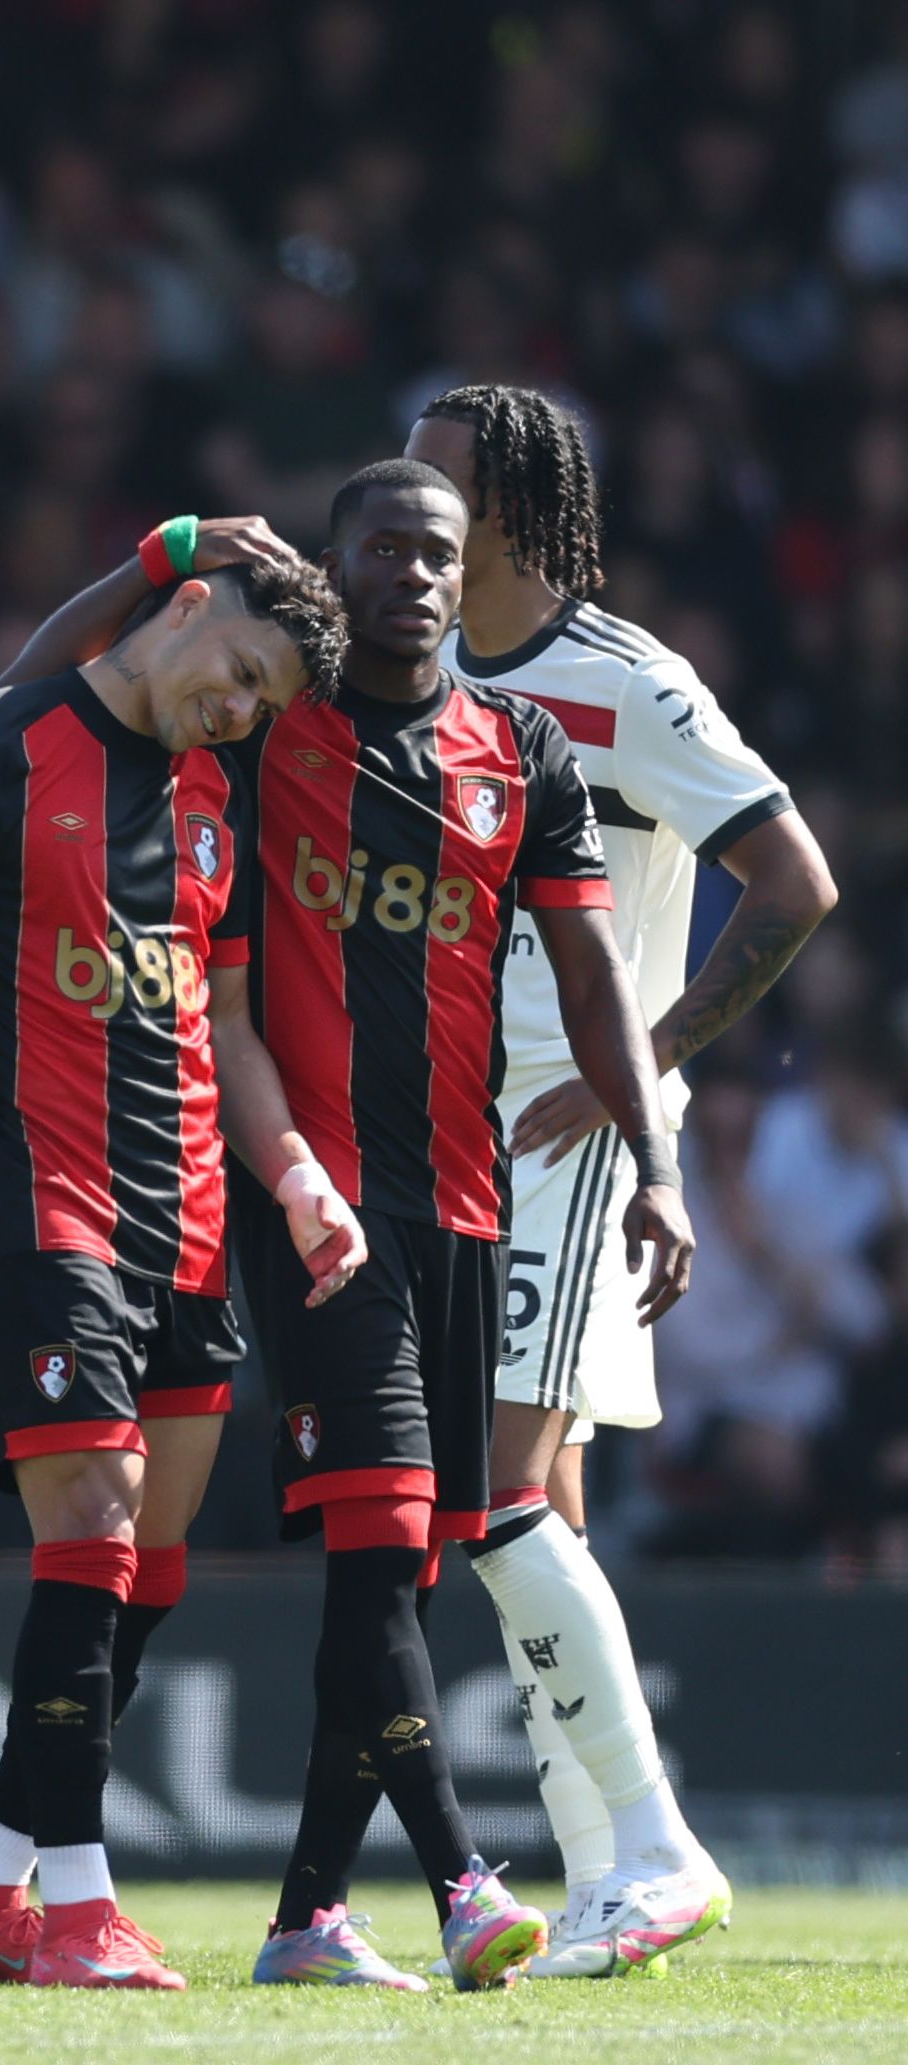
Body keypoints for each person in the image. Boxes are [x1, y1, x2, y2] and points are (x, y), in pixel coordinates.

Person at [0, 515, 360, 1992]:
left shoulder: (209, 802)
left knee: (146, 1570)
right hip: (42, 1213)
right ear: (187, 607)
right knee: (94, 1527)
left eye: (265, 702)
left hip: (187, 1224)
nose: (240, 710)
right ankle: (81, 1904)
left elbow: (226, 1024)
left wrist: (295, 1172)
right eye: (240, 670)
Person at [196, 460, 688, 1989]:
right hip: (320, 1204)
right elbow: (50, 689)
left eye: (436, 551)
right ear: (333, 567)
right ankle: (465, 1875)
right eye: (384, 548)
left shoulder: (522, 747)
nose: (411, 572)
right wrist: (170, 554)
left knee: (401, 1567)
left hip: (467, 1201)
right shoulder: (270, 726)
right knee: (385, 1534)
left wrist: (655, 1157)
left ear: (465, 574)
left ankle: (302, 1918)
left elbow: (596, 973)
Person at [405, 386, 834, 1977]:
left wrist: (638, 1060)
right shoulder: (422, 665)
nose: (409, 495)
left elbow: (795, 880)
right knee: (530, 1509)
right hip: (449, 1129)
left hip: (566, 1129)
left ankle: (660, 1847)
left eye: (436, 477)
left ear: (508, 509)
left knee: (496, 1486)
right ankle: (604, 1876)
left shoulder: (632, 685)